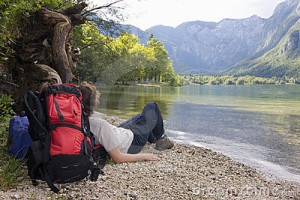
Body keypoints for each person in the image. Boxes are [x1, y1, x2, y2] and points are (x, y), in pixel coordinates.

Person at [79, 81, 174, 163]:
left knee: (140, 117)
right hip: (133, 142)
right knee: (152, 106)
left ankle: (152, 137)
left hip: (119, 133)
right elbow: (118, 158)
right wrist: (145, 156)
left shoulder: (80, 119)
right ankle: (161, 139)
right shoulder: (100, 125)